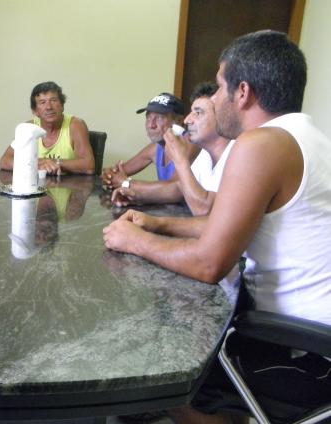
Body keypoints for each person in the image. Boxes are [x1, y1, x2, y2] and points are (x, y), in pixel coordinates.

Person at [103, 30, 331, 423]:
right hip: (306, 340)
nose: (215, 99)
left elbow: (210, 263)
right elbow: (223, 223)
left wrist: (134, 240)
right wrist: (156, 224)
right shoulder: (309, 137)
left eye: (220, 87)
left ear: (242, 92)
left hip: (302, 353)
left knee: (157, 360)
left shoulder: (261, 144)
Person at [111, 81, 234, 216]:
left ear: (221, 116)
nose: (188, 120)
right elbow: (177, 188)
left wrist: (126, 183)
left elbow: (205, 210)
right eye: (148, 117)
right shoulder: (205, 154)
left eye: (198, 113)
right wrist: (137, 197)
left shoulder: (239, 154)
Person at [101, 92, 199, 189]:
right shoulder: (156, 148)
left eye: (160, 118)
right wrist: (109, 175)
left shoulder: (190, 144)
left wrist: (126, 183)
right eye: (148, 117)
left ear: (179, 120)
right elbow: (119, 172)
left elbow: (173, 188)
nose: (151, 125)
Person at [0, 81, 94, 175]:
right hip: (36, 187)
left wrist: (54, 162)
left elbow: (88, 166)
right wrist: (38, 162)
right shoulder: (29, 129)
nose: (49, 107)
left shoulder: (75, 125)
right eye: (42, 102)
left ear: (62, 106)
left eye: (53, 100)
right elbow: (4, 161)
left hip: (70, 187)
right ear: (35, 111)